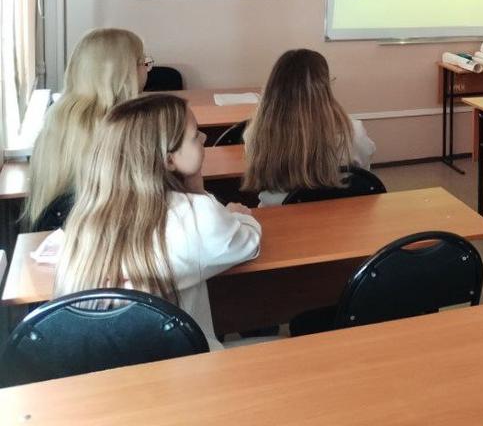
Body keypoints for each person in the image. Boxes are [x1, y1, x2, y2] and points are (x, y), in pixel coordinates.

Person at [48, 94, 261, 351]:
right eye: (195, 135)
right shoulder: (196, 218)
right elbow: (249, 241)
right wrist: (232, 212)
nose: (204, 138)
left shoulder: (85, 222)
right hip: (186, 364)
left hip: (104, 367)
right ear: (169, 159)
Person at [23, 28, 150, 230]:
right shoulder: (123, 128)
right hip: (109, 235)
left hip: (57, 233)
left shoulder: (57, 117)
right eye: (143, 62)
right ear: (122, 73)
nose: (147, 69)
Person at [242, 49, 376, 206]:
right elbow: (365, 173)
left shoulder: (254, 135)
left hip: (277, 214)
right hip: (341, 214)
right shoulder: (352, 132)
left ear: (272, 88)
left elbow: (261, 177)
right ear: (325, 88)